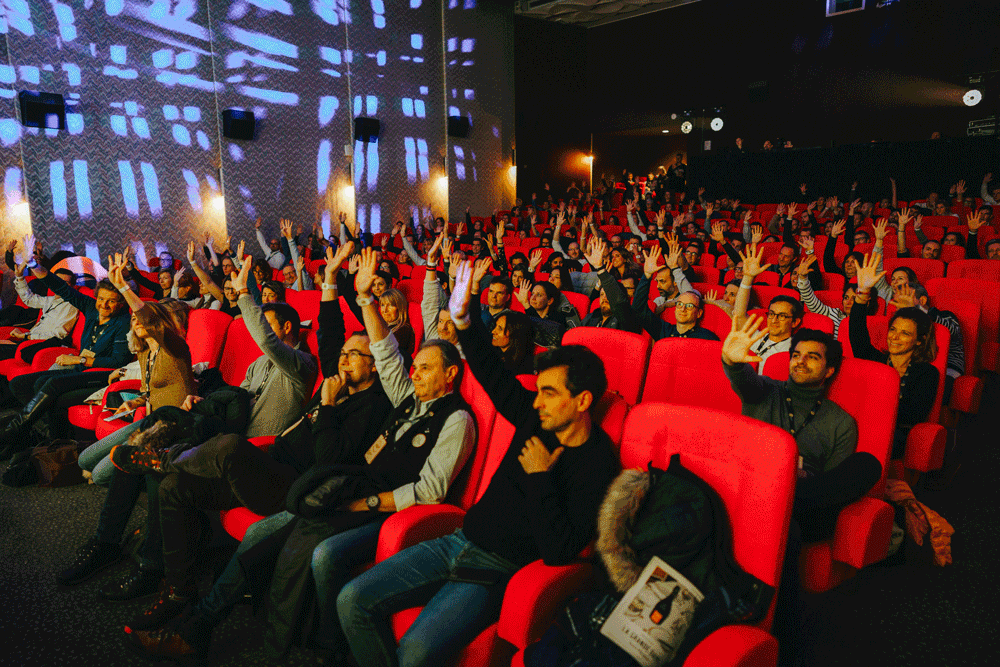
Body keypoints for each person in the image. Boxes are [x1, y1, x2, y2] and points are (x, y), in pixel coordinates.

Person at [127, 249, 467, 664]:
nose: (414, 371)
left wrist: (329, 411)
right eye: (416, 366)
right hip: (314, 482)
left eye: (424, 368)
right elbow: (341, 338)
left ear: (449, 374)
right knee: (178, 488)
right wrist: (338, 283)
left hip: (324, 487)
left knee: (259, 524)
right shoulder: (395, 395)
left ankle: (228, 632)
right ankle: (183, 597)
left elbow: (349, 439)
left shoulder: (389, 401)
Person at [337, 259, 618, 667]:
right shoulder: (537, 416)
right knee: (352, 598)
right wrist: (465, 321)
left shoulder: (598, 465)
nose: (536, 401)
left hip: (498, 569)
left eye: (549, 393)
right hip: (459, 539)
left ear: (582, 401)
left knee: (415, 653)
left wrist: (540, 477)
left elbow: (560, 550)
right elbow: (493, 376)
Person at [111, 250, 320, 630]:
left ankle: (164, 458)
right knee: (172, 483)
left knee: (208, 452)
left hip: (262, 460)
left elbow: (269, 343)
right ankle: (178, 589)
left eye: (266, 324)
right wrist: (206, 401)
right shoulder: (258, 365)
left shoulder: (301, 364)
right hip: (231, 451)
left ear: (287, 328)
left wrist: (245, 296)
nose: (257, 333)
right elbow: (240, 400)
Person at [721, 319, 876, 667]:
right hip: (752, 494)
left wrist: (795, 488)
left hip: (804, 505)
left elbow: (833, 487)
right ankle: (787, 643)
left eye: (812, 357)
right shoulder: (766, 391)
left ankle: (789, 500)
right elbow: (744, 380)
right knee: (786, 529)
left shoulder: (840, 422)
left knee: (866, 465)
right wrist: (732, 361)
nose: (800, 361)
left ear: (829, 370)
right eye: (796, 355)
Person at [0, 262, 132, 458]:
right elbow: (62, 288)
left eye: (111, 301)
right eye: (101, 299)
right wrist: (35, 264)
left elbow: (118, 361)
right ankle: (44, 436)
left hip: (102, 373)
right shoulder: (91, 307)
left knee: (49, 384)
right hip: (80, 365)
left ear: (121, 303)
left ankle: (12, 434)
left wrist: (80, 360)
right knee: (20, 383)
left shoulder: (123, 322)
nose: (104, 305)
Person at [851, 254, 939, 457]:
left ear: (919, 340)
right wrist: (862, 293)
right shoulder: (878, 361)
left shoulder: (927, 373)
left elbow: (911, 416)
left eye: (905, 333)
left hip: (893, 436)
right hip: (860, 425)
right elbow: (857, 336)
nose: (895, 337)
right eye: (893, 330)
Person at [732, 244, 803, 370]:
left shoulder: (794, 351)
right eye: (771, 314)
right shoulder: (757, 336)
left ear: (795, 322)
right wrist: (747, 278)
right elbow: (739, 314)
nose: (774, 320)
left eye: (782, 316)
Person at [0, 252, 78, 364]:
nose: (59, 286)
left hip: (36, 346)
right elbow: (29, 299)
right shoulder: (51, 299)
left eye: (64, 283)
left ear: (72, 286)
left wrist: (26, 336)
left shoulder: (71, 306)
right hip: (26, 340)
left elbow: (58, 335)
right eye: (57, 281)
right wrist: (20, 277)